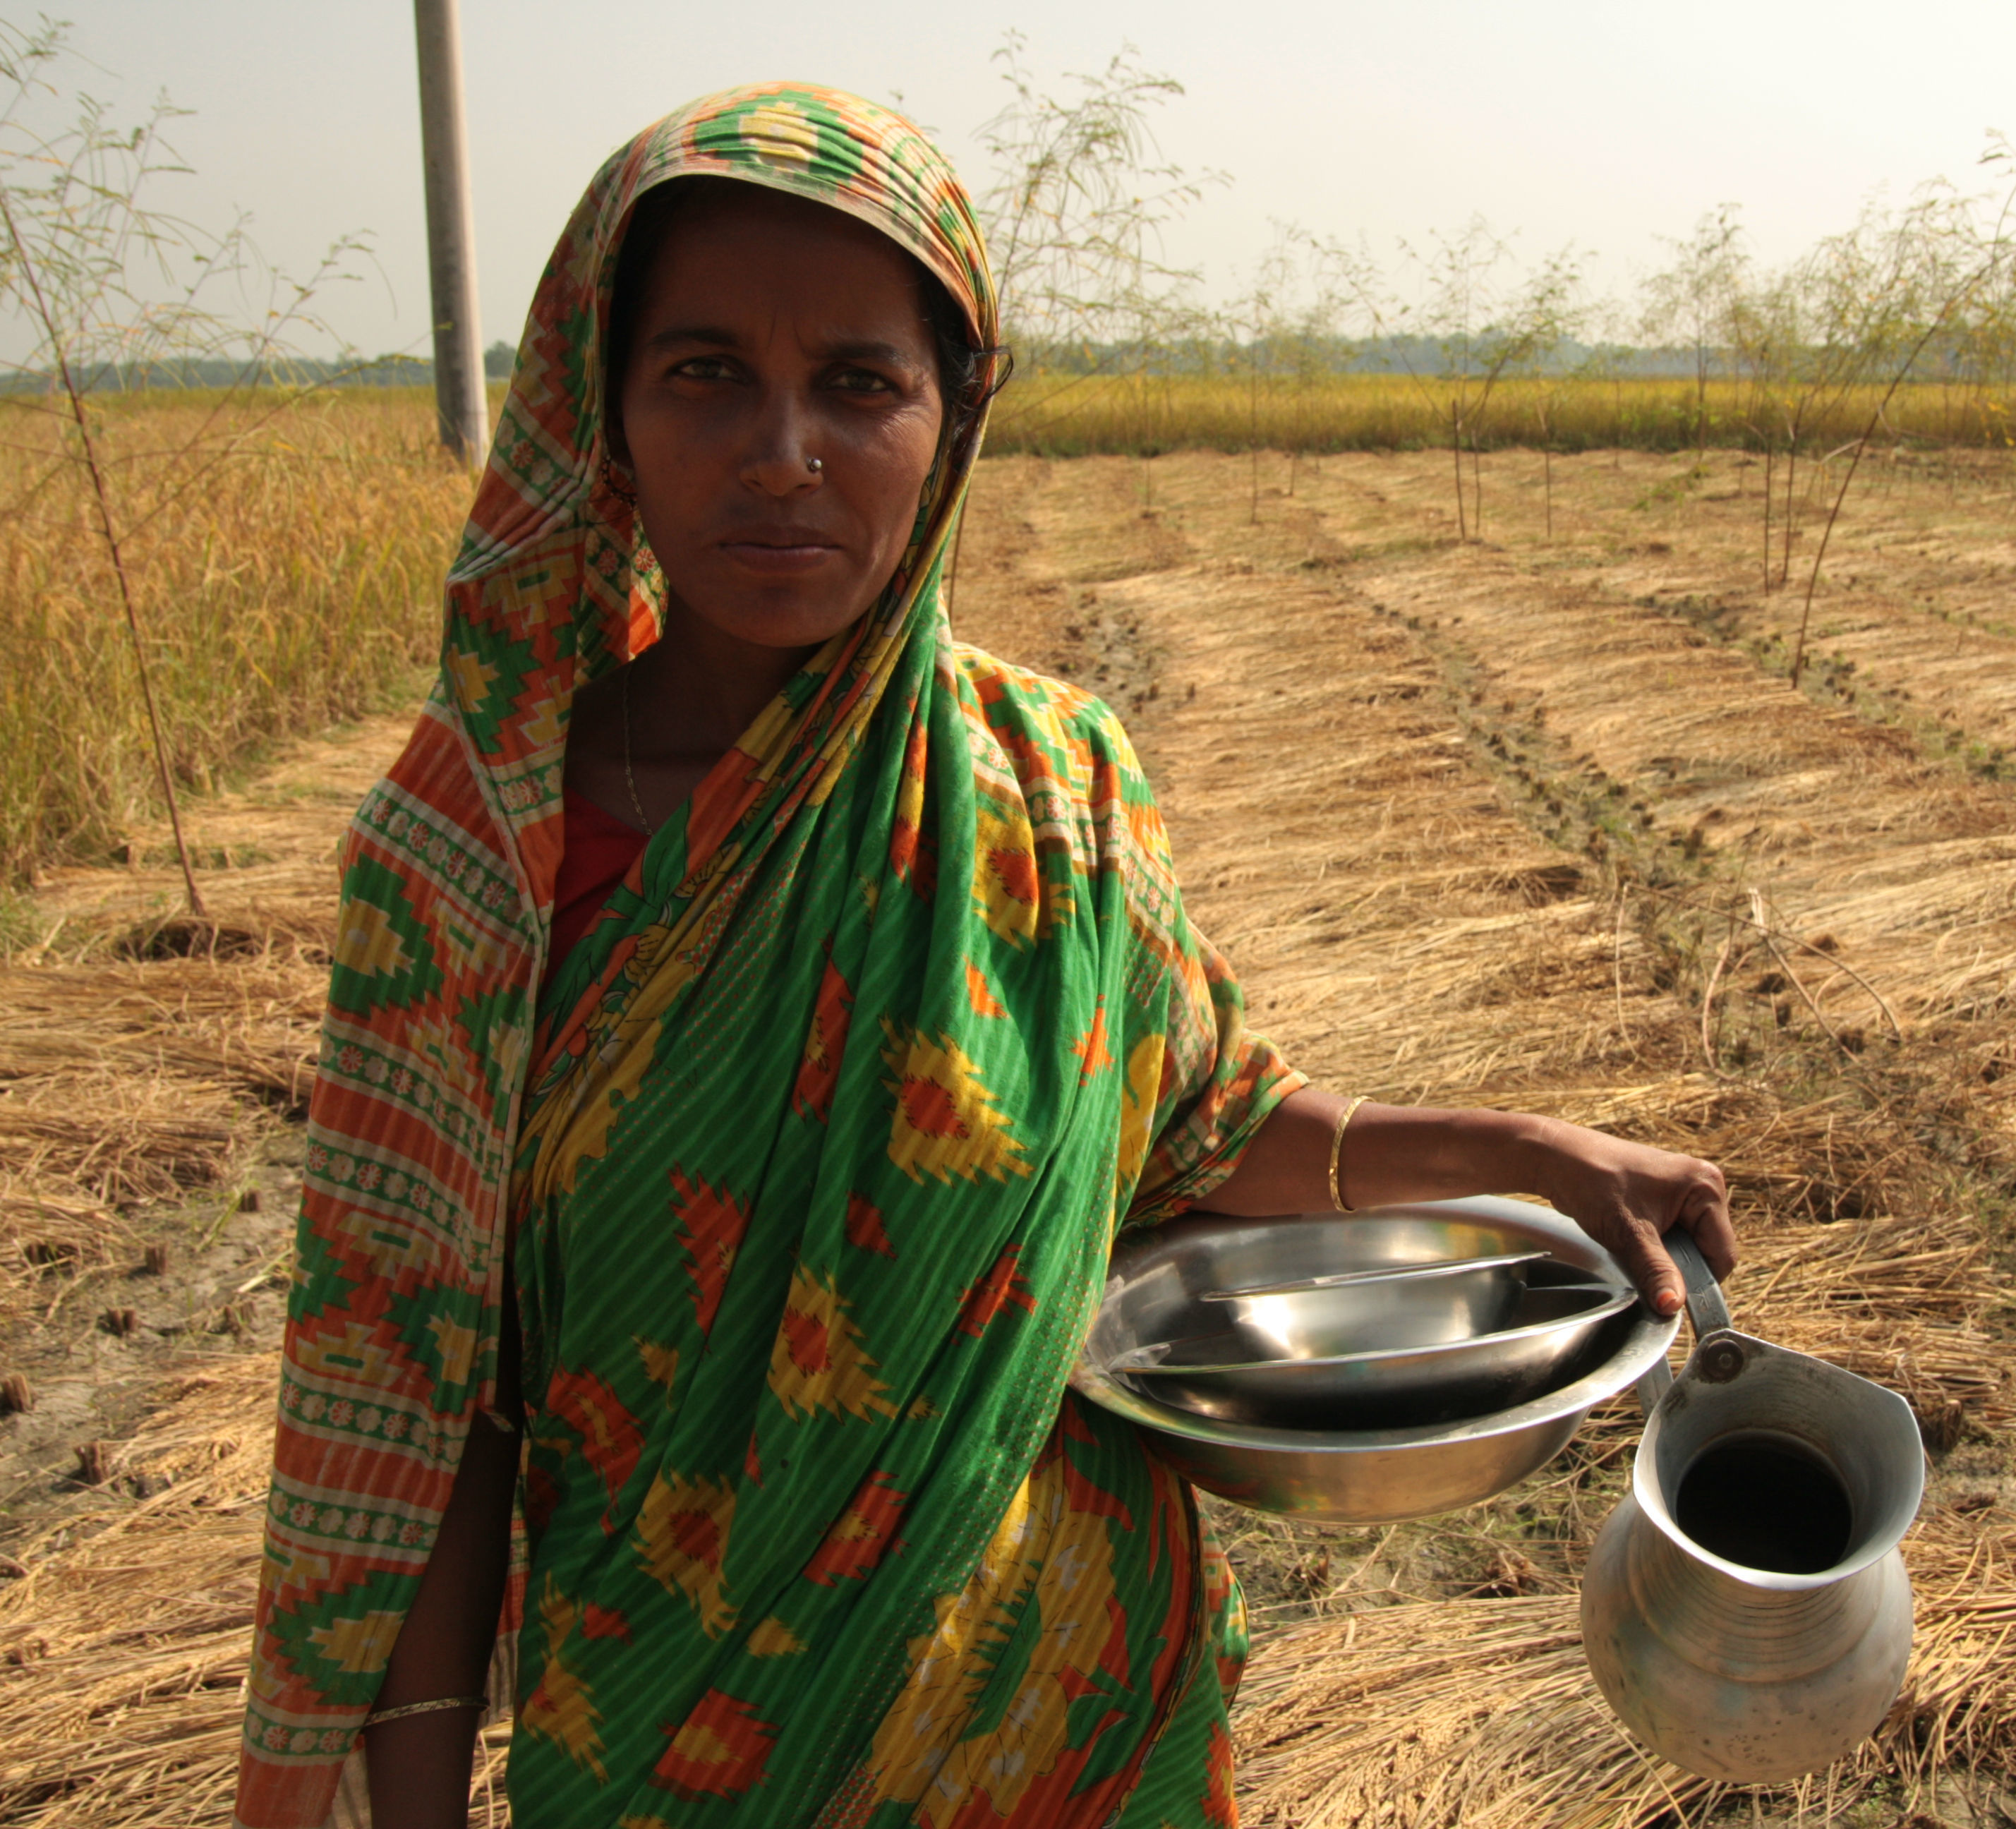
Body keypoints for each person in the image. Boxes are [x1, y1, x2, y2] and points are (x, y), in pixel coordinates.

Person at [236, 85, 1734, 1829]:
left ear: (951, 424)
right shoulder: (473, 854)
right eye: (706, 372)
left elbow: (1204, 1126)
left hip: (1079, 1725)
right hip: (677, 1743)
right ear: (605, 415)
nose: (782, 449)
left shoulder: (1052, 782)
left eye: (860, 384)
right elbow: (422, 1385)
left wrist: (1520, 1153)